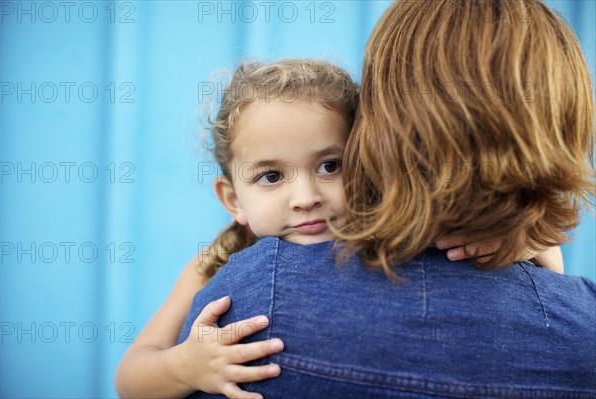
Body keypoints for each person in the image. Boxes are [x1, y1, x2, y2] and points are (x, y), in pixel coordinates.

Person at [175, 0, 595, 398]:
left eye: (330, 166)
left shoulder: (254, 297)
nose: (304, 198)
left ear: (372, 137)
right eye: (271, 176)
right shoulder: (582, 331)